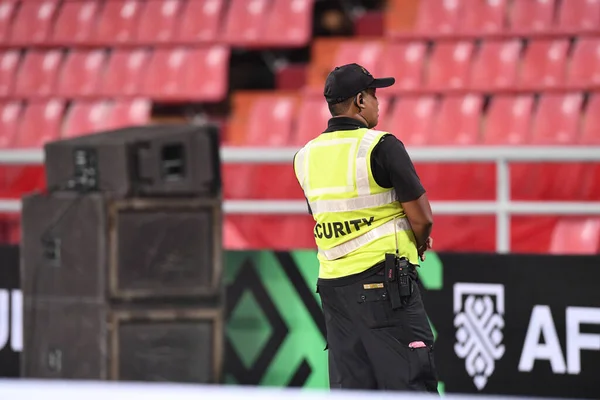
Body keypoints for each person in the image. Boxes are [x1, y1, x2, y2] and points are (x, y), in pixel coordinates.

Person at [292, 63, 438, 392]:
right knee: (412, 384)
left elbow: (323, 216)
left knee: (354, 389)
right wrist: (420, 242)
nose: (377, 103)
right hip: (384, 286)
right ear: (360, 100)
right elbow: (423, 218)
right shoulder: (381, 145)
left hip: (333, 290)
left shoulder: (304, 156)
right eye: (373, 95)